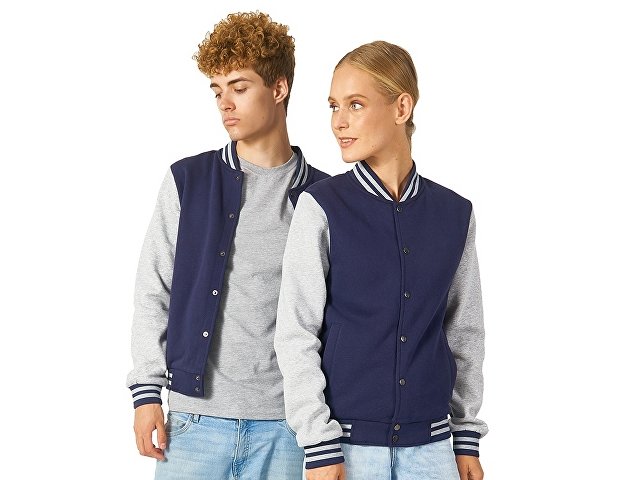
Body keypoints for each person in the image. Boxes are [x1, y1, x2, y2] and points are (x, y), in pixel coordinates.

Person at [126, 11, 330, 479]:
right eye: (217, 90)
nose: (225, 103)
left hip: (288, 429)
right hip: (194, 424)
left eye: (239, 87)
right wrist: (146, 393)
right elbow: (153, 290)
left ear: (279, 89)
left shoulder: (325, 198)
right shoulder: (189, 181)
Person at [275, 40, 488, 480]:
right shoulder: (321, 206)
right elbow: (296, 332)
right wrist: (318, 443)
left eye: (355, 104)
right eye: (334, 106)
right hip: (346, 449)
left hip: (434, 452)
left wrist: (465, 435)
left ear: (401, 107)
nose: (339, 121)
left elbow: (464, 333)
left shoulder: (454, 214)